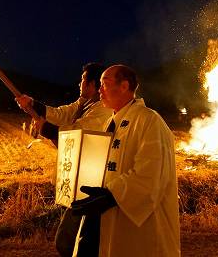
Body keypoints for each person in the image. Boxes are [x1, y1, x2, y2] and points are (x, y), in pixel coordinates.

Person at [70, 64, 180, 257]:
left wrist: (111, 195)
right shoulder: (109, 122)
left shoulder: (149, 120)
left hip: (135, 219)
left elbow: (150, 174)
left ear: (124, 86)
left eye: (105, 84)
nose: (99, 90)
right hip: (105, 214)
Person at [16, 62, 113, 257]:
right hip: (80, 179)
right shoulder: (82, 104)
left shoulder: (102, 109)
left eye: (84, 80)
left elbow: (79, 131)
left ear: (94, 84)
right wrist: (32, 105)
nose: (80, 84)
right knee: (81, 241)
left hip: (92, 181)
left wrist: (46, 129)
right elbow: (61, 114)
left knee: (68, 241)